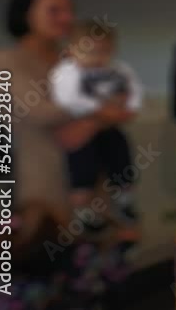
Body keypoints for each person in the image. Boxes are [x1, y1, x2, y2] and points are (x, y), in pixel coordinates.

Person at [0, 0, 132, 307]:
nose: (66, 18)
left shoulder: (74, 57)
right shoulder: (7, 60)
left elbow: (118, 99)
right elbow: (33, 110)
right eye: (54, 10)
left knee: (92, 275)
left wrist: (93, 119)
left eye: (69, 10)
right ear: (26, 15)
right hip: (40, 183)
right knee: (39, 270)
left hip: (87, 177)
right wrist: (96, 111)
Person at [50, 20, 143, 243]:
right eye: (89, 52)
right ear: (72, 50)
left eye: (102, 51)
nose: (96, 58)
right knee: (82, 172)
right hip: (81, 132)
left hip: (110, 129)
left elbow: (135, 90)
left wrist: (129, 108)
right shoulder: (66, 72)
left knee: (121, 160)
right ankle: (84, 214)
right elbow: (68, 99)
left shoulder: (119, 70)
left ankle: (124, 199)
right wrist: (102, 108)